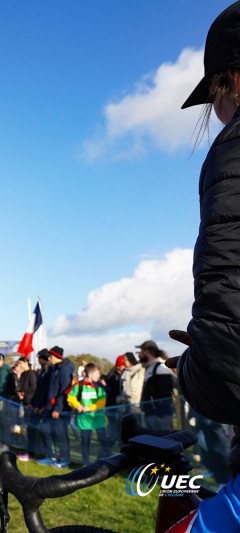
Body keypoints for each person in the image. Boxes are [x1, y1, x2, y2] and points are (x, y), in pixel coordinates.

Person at [167, 3, 240, 529]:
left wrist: (193, 370)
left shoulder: (233, 148)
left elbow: (231, 343)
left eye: (213, 92)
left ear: (232, 80)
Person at [37, 346, 74, 469]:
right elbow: (50, 391)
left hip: (60, 410)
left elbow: (63, 391)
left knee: (61, 435)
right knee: (45, 430)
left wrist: (57, 409)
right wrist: (44, 406)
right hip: (49, 408)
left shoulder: (64, 370)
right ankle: (51, 456)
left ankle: (65, 460)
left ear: (57, 357)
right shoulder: (54, 369)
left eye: (50, 356)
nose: (48, 358)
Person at [67, 363, 109, 465]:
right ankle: (85, 464)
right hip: (84, 420)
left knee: (103, 442)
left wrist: (89, 408)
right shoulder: (79, 385)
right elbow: (70, 397)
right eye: (97, 373)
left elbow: (102, 401)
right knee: (85, 443)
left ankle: (105, 463)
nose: (99, 376)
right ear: (91, 373)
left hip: (98, 420)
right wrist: (77, 406)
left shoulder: (99, 386)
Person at [137, 340, 176, 431]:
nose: (139, 354)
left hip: (160, 417)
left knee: (164, 442)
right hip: (151, 414)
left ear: (147, 351)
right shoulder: (150, 368)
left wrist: (161, 415)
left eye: (141, 351)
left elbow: (165, 394)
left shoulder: (161, 368)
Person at [24, 349, 52, 462]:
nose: (38, 360)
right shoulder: (41, 371)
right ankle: (32, 452)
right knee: (31, 429)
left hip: (44, 408)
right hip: (36, 407)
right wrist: (33, 403)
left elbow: (48, 391)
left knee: (46, 432)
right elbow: (38, 390)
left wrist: (43, 406)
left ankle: (50, 455)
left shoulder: (50, 371)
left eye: (39, 358)